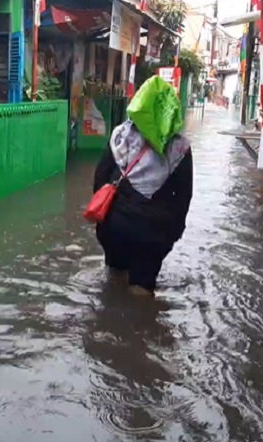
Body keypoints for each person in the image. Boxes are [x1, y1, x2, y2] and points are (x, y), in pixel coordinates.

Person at [92, 76, 193, 297]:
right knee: (141, 290)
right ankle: (139, 326)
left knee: (113, 280)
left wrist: (104, 218)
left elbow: (100, 178)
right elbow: (183, 196)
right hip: (153, 233)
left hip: (114, 225)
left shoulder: (121, 135)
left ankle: (106, 326)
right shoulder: (180, 149)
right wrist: (175, 232)